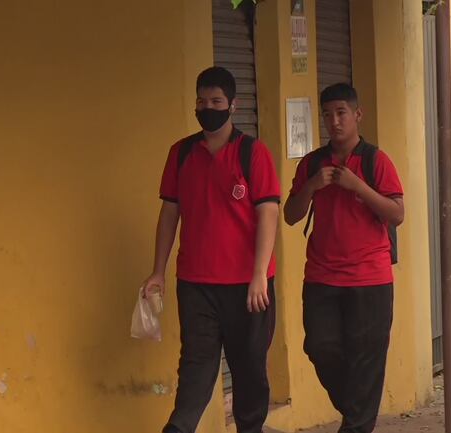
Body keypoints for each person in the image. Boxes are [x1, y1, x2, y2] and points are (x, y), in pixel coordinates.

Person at [141, 66, 281, 433]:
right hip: (196, 283)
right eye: (202, 102)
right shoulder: (181, 153)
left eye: (216, 101)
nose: (208, 108)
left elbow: (269, 214)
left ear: (233, 105)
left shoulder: (253, 153)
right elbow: (170, 212)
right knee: (196, 364)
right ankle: (179, 427)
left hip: (248, 287)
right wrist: (158, 270)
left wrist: (258, 276)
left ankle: (250, 428)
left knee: (249, 366)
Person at [283, 83, 404, 433]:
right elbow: (291, 215)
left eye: (341, 113)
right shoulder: (312, 164)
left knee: (366, 362)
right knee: (321, 347)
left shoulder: (375, 161)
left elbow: (396, 214)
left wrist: (358, 187)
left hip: (370, 278)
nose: (334, 121)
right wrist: (311, 186)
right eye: (327, 114)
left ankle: (357, 420)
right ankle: (359, 411)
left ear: (357, 115)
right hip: (322, 276)